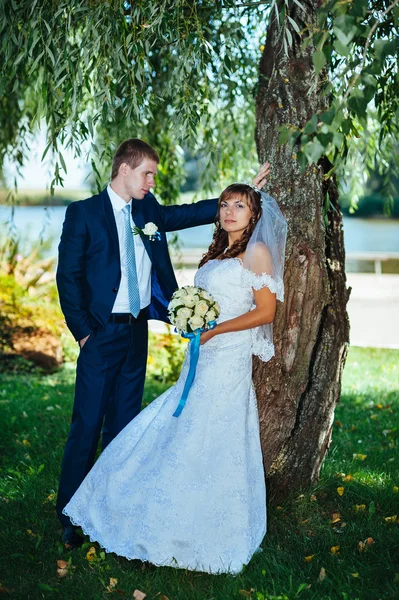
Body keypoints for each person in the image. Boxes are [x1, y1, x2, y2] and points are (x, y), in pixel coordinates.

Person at [62, 182, 287, 575]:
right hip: (200, 358)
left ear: (254, 215)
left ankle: (207, 526)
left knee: (213, 436)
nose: (230, 211)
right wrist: (193, 319)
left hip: (228, 360)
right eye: (224, 204)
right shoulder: (219, 252)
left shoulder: (258, 252)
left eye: (240, 205)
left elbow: (265, 312)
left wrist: (216, 330)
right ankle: (138, 507)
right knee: (179, 428)